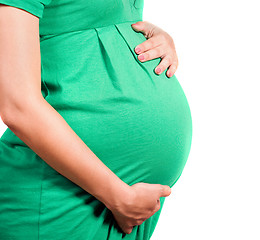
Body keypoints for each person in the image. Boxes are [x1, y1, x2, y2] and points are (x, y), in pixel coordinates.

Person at [0, 0, 192, 239]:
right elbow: (18, 105)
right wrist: (119, 197)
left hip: (126, 202)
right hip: (59, 198)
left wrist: (141, 37)